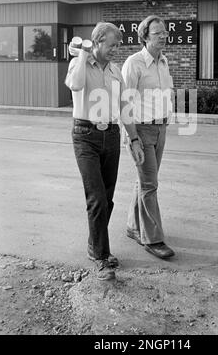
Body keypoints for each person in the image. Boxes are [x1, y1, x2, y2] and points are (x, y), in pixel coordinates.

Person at [65, 22, 144, 281]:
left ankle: (93, 245)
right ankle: (101, 258)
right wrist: (83, 53)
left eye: (118, 45)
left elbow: (124, 107)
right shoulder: (79, 64)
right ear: (97, 41)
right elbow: (75, 86)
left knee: (107, 199)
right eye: (111, 45)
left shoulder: (115, 70)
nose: (115, 49)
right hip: (85, 135)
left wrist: (134, 140)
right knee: (97, 197)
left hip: (110, 135)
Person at [121, 15, 175, 259]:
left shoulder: (163, 61)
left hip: (160, 129)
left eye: (164, 32)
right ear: (144, 36)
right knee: (150, 185)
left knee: (144, 181)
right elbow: (124, 103)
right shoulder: (134, 64)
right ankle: (153, 240)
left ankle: (134, 226)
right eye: (157, 33)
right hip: (141, 131)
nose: (163, 36)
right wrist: (131, 138)